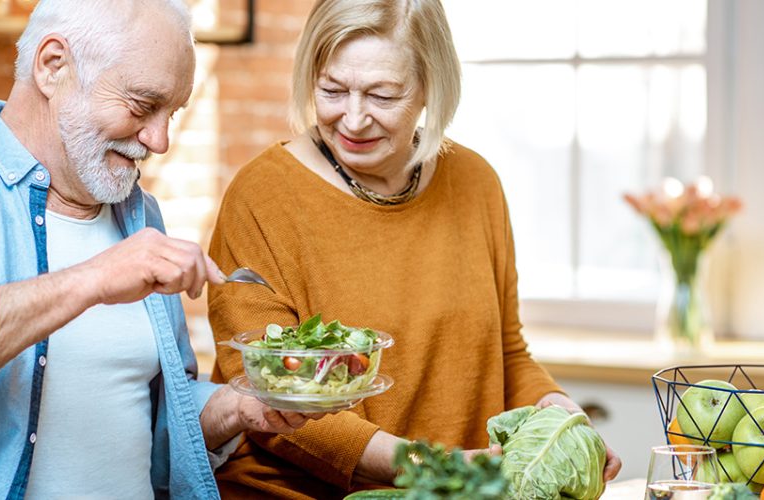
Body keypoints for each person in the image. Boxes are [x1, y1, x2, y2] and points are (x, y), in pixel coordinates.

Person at [0, 0, 321, 498]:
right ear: (53, 66)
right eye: (141, 105)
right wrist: (91, 279)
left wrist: (240, 407)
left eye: (172, 113)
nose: (160, 140)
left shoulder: (138, 215)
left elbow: (147, 435)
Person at [206, 0, 623, 497]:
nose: (354, 119)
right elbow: (266, 397)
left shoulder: (476, 183)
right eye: (332, 90)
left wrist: (562, 418)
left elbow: (507, 354)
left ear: (431, 86)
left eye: (383, 95)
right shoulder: (263, 196)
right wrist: (434, 466)